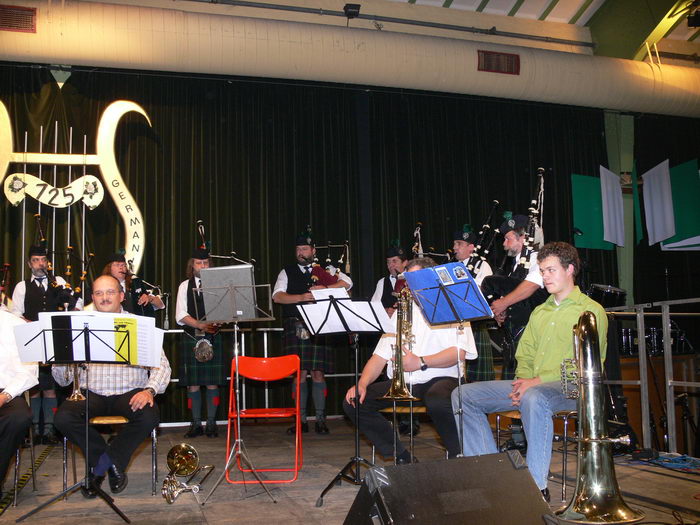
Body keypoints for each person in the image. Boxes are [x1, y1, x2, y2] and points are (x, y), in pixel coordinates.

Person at [451, 242, 607, 501]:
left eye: (550, 270)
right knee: (462, 396)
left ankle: (535, 488)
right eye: (542, 271)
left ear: (570, 269)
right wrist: (522, 381)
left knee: (535, 397)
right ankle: (495, 475)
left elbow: (585, 365)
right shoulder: (540, 311)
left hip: (572, 387)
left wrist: (535, 382)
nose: (544, 277)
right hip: (534, 385)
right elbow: (525, 354)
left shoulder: (590, 311)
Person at [343, 257, 477, 462]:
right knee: (354, 402)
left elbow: (458, 353)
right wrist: (361, 384)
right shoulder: (400, 312)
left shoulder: (453, 307)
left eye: (416, 279)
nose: (411, 285)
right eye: (409, 279)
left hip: (441, 378)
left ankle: (457, 455)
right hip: (405, 381)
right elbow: (379, 357)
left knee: (438, 399)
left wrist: (422, 361)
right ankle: (401, 456)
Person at [53, 275, 171, 497]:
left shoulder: (139, 325)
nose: (104, 297)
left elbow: (162, 366)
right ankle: (107, 462)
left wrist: (149, 390)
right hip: (91, 393)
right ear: (93, 297)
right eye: (99, 293)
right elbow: (63, 380)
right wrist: (59, 357)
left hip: (129, 392)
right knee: (62, 418)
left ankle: (99, 469)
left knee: (149, 416)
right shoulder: (79, 325)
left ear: (122, 296)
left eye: (110, 292)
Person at [272, 231, 352, 434]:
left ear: (313, 251)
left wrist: (323, 289)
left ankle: (320, 419)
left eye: (305, 249)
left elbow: (347, 284)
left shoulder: (327, 269)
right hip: (296, 324)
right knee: (299, 374)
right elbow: (278, 297)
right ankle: (300, 420)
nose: (300, 252)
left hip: (320, 324)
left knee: (318, 373)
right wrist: (301, 297)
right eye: (298, 249)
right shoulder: (286, 272)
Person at [11, 245, 82, 445]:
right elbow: (15, 312)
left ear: (47, 263)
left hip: (54, 340)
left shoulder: (58, 282)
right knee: (33, 387)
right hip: (32, 339)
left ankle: (49, 431)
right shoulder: (21, 286)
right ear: (29, 264)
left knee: (50, 386)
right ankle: (33, 431)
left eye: (43, 260)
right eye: (35, 260)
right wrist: (27, 323)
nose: (40, 264)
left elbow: (76, 303)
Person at [480, 214, 548, 379]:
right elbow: (515, 296)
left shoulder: (538, 259)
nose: (504, 244)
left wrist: (503, 303)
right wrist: (501, 311)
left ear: (523, 238)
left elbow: (531, 286)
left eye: (507, 239)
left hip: (531, 331)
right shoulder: (517, 265)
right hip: (515, 332)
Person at [175, 248, 225, 438]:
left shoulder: (218, 285)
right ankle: (196, 423)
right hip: (192, 336)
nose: (202, 266)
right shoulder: (183, 286)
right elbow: (180, 314)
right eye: (198, 263)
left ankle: (211, 423)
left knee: (213, 383)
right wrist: (199, 324)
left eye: (205, 263)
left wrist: (220, 320)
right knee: (192, 384)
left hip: (214, 335)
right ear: (192, 265)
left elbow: (225, 308)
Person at [0, 310, 38, 501]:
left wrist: (4, 396)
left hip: (6, 392)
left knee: (18, 417)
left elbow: (30, 370)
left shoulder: (17, 324)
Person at [452, 225, 496, 383]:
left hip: (475, 323)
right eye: (454, 244)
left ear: (471, 247)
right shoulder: (451, 267)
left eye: (459, 244)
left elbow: (482, 294)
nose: (454, 247)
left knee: (478, 376)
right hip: (453, 323)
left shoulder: (482, 266)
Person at [371, 243, 409, 317]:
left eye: (394, 261)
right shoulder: (382, 282)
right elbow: (373, 308)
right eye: (388, 262)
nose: (390, 265)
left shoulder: (412, 279)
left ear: (405, 263)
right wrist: (385, 311)